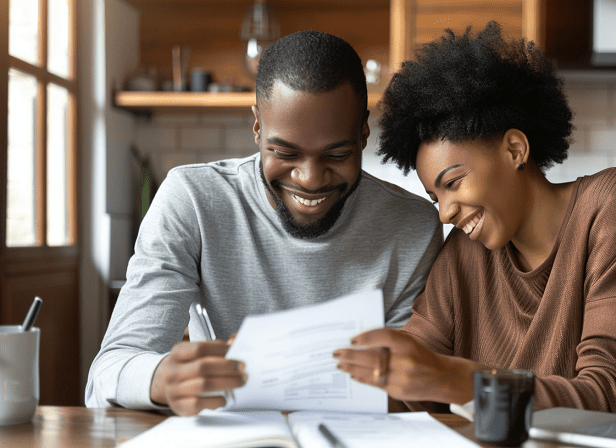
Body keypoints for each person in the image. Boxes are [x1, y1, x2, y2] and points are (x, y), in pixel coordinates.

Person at [85, 30, 443, 416]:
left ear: (363, 132)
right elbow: (105, 375)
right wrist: (159, 379)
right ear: (257, 127)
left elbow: (409, 390)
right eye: (284, 152)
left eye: (336, 154)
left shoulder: (413, 225)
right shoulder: (193, 199)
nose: (310, 178)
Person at [333, 22, 616, 418]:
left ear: (514, 149)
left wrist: (451, 378)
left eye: (454, 183)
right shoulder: (464, 252)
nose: (444, 213)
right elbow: (413, 387)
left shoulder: (612, 202)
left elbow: (615, 397)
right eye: (434, 196)